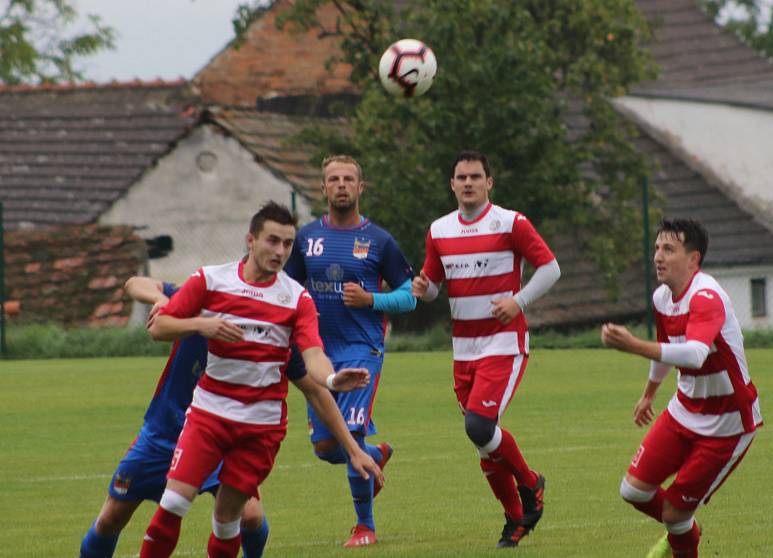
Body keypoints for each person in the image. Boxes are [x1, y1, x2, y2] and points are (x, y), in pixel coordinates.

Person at [138, 201, 383, 558]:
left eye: (287, 244)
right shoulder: (210, 280)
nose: (280, 251)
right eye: (273, 241)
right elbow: (159, 326)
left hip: (259, 430)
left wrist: (332, 378)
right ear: (250, 240)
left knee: (227, 521)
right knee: (173, 502)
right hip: (209, 416)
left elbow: (313, 355)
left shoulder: (296, 299)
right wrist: (203, 325)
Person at [412, 150, 561, 548]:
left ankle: (531, 485)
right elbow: (433, 287)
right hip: (463, 349)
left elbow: (550, 268)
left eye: (475, 176)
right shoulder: (439, 230)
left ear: (489, 183)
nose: (468, 183)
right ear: (452, 184)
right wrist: (424, 290)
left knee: (478, 425)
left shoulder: (511, 222)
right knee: (483, 441)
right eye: (461, 177)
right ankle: (515, 519)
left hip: (503, 342)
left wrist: (519, 301)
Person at [601, 218, 762, 558]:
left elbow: (693, 353)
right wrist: (649, 392)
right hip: (684, 409)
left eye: (669, 249)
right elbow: (667, 346)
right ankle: (685, 527)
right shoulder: (662, 297)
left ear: (693, 259)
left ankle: (681, 530)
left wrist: (633, 345)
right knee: (633, 491)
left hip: (727, 423)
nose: (658, 256)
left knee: (674, 514)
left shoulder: (706, 296)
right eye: (657, 248)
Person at [78, 276, 268, 558]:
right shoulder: (202, 300)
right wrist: (164, 302)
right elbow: (134, 283)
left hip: (216, 434)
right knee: (111, 519)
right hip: (164, 434)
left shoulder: (265, 326)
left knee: (250, 515)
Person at [283, 155, 416, 547]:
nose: (341, 185)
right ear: (323, 189)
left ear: (361, 188)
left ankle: (365, 527)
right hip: (318, 356)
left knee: (351, 435)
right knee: (326, 448)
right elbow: (287, 291)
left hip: (362, 350)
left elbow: (409, 297)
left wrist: (372, 299)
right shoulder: (306, 239)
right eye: (333, 179)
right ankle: (375, 454)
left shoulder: (379, 240)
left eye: (348, 179)